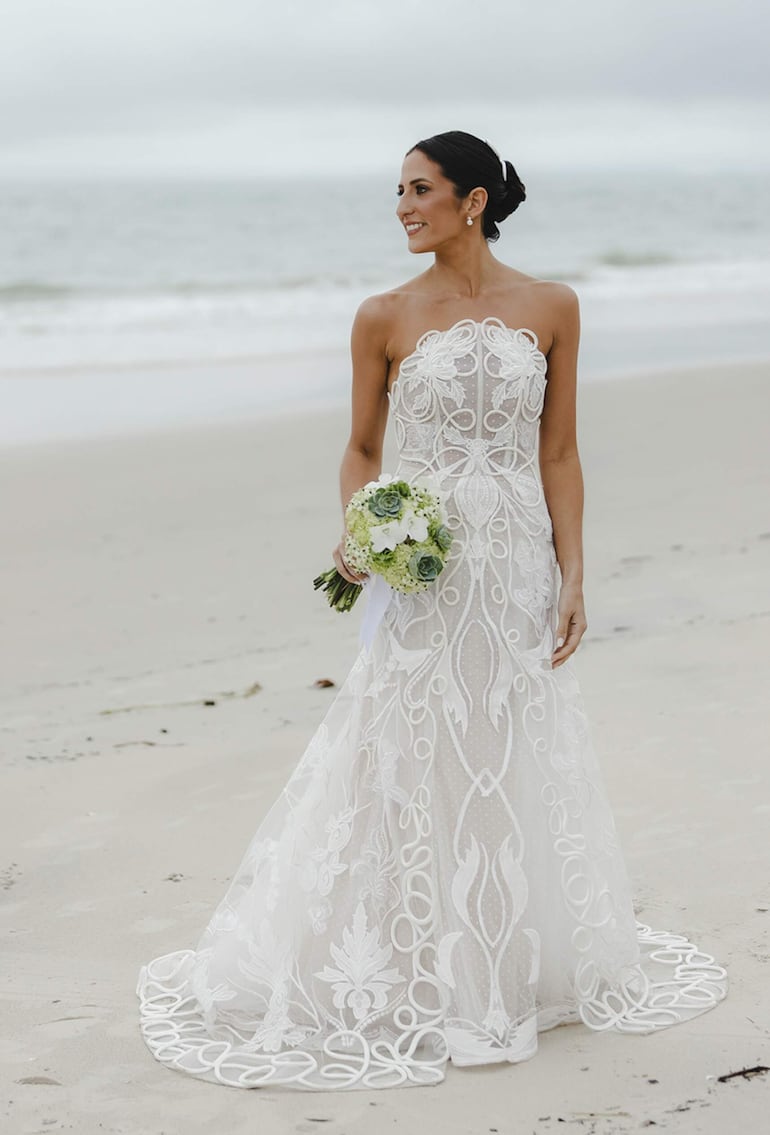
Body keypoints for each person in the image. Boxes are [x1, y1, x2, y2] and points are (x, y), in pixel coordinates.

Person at [137, 131, 727, 1091]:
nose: (403, 206)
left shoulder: (553, 306)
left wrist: (574, 572)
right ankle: (413, 964)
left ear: (475, 199)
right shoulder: (382, 316)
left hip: (515, 569)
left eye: (420, 189)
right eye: (398, 191)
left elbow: (562, 453)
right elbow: (362, 449)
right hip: (426, 570)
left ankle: (503, 965)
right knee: (409, 750)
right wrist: (363, 530)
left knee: (511, 748)